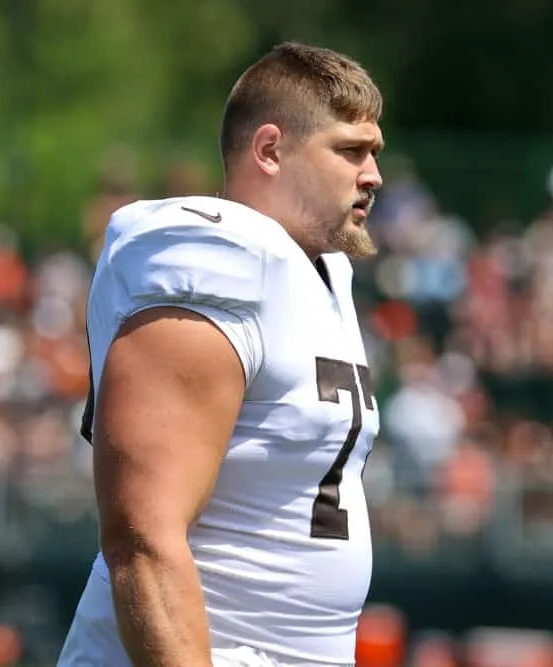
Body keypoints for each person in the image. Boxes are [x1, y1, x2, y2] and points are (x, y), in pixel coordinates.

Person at [56, 41, 385, 667]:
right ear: (269, 150)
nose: (372, 173)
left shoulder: (323, 275)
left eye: (373, 152)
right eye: (349, 150)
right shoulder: (207, 260)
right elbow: (142, 537)